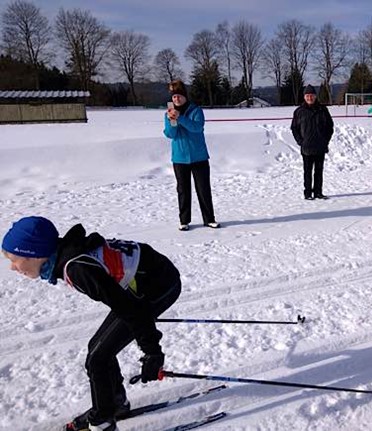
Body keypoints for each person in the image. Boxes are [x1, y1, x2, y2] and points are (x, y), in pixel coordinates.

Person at [1, 216, 182, 431]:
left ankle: (102, 420)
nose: (13, 268)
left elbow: (132, 311)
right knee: (97, 350)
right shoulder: (70, 258)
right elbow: (121, 298)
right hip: (144, 284)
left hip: (158, 286)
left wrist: (152, 352)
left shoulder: (77, 268)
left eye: (15, 259)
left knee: (97, 358)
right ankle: (114, 404)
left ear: (34, 254)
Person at [164, 79, 220, 231]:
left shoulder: (196, 110)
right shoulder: (168, 113)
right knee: (183, 190)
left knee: (203, 189)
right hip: (180, 158)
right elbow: (170, 134)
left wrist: (181, 118)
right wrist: (172, 121)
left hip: (199, 157)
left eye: (179, 96)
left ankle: (209, 219)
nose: (176, 99)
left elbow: (197, 127)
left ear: (185, 96)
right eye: (174, 96)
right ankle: (184, 220)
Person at [291, 84, 334, 200]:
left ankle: (318, 192)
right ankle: (308, 193)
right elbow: (294, 128)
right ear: (304, 97)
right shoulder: (299, 111)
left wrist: (325, 141)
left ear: (315, 96)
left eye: (312, 95)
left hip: (320, 146)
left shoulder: (323, 110)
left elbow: (330, 127)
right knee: (307, 172)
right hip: (307, 147)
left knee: (319, 171)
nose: (310, 98)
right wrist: (301, 141)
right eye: (307, 96)